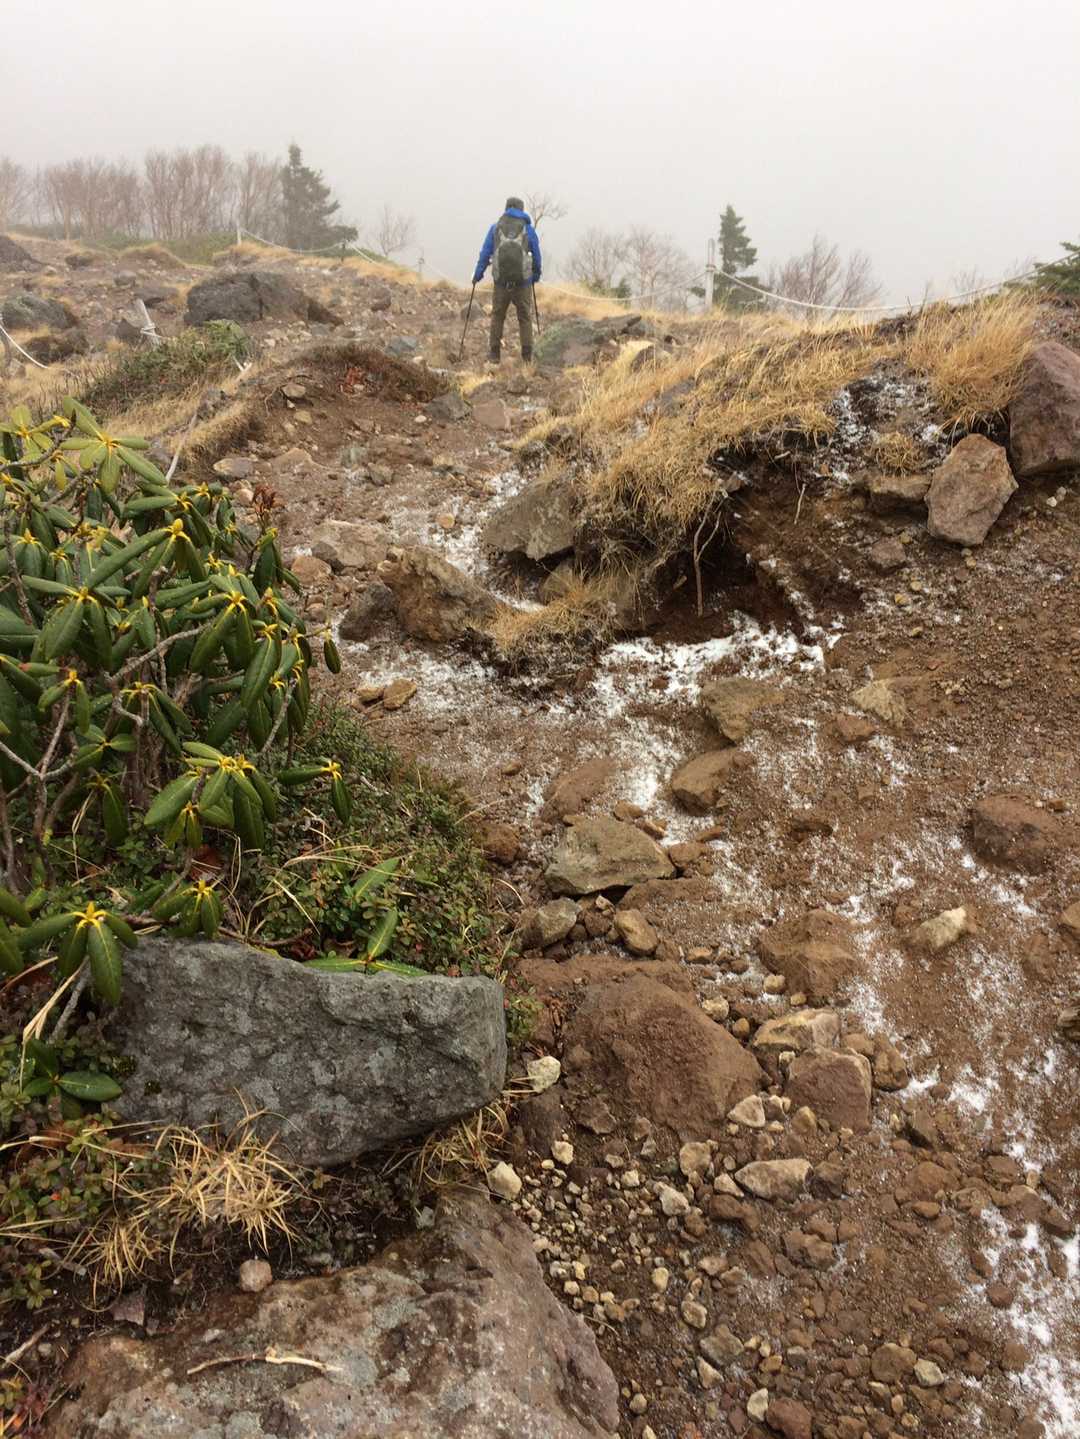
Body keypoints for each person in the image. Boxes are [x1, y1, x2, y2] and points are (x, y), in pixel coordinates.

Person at [472, 197, 542, 364]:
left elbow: (485, 253)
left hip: (501, 283)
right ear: (522, 209)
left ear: (506, 208)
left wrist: (478, 275)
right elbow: (537, 256)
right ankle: (527, 357)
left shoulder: (495, 228)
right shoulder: (528, 230)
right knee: (524, 318)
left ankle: (494, 354)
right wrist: (535, 275)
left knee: (497, 316)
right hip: (523, 283)